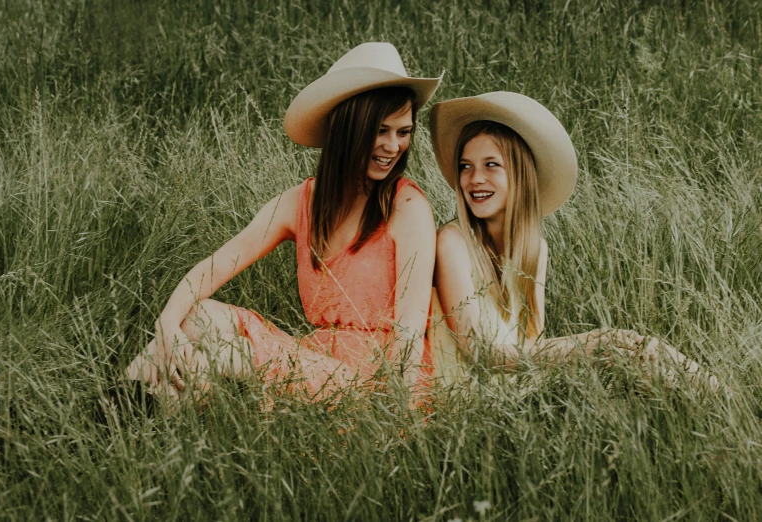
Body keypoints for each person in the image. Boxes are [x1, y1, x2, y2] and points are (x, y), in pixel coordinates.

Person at [123, 42, 442, 406]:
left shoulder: (407, 205)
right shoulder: (301, 202)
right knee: (195, 317)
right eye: (381, 130)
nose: (393, 145)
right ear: (347, 130)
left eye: (404, 132)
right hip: (318, 357)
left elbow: (410, 331)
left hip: (376, 380)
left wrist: (394, 409)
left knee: (226, 356)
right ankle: (132, 405)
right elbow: (216, 265)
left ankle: (126, 410)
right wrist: (165, 326)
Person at [427, 92, 715, 388]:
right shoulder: (453, 243)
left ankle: (722, 398)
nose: (474, 178)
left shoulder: (534, 249)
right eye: (465, 166)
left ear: (520, 173)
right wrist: (584, 346)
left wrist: (597, 346)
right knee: (614, 347)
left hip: (516, 391)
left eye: (491, 165)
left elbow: (531, 345)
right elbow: (481, 353)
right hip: (466, 395)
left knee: (636, 347)